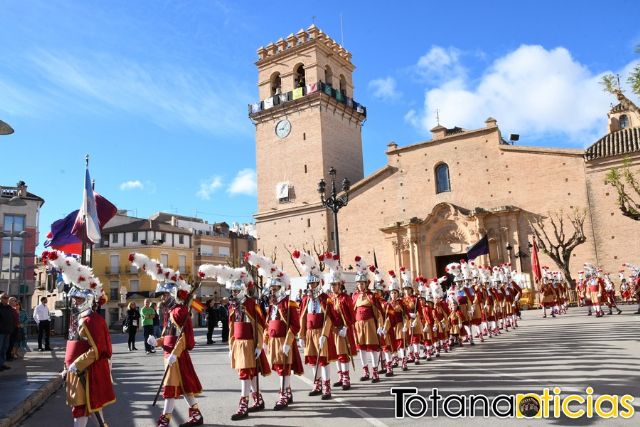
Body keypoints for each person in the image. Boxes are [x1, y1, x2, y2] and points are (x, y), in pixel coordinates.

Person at [42, 249, 115, 427]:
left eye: (79, 299)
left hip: (87, 372)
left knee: (82, 407)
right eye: (74, 298)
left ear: (89, 300)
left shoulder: (92, 320)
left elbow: (97, 349)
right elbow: (73, 345)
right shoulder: (78, 318)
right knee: (88, 407)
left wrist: (77, 364)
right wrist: (67, 367)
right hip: (76, 371)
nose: (75, 302)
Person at [131, 253, 204, 427]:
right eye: (161, 295)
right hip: (169, 354)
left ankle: (165, 418)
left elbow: (184, 337)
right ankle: (196, 415)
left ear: (171, 293)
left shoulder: (179, 311)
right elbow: (170, 335)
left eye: (164, 295)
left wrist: (175, 353)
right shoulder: (169, 312)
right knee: (184, 387)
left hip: (176, 355)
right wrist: (156, 342)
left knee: (171, 388)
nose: (162, 298)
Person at [294, 249, 339, 400]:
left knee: (323, 360)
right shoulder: (306, 299)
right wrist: (301, 335)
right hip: (309, 332)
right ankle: (317, 384)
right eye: (309, 284)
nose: (311, 287)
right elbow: (302, 317)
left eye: (313, 284)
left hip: (321, 332)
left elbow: (330, 318)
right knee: (313, 360)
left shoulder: (325, 298)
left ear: (318, 283)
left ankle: (327, 387)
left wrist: (325, 334)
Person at [351, 256, 384, 383]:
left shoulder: (372, 296)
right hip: (358, 325)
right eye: (358, 283)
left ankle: (375, 371)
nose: (360, 285)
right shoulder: (354, 296)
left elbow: (379, 312)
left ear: (366, 284)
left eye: (362, 283)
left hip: (370, 324)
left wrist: (380, 325)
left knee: (372, 348)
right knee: (362, 348)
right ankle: (365, 371)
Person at [0, 293, 16, 371]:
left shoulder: (9, 308)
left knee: (5, 348)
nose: (6, 299)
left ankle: (2, 363)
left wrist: (11, 328)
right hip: (1, 332)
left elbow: (11, 319)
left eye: (7, 298)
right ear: (1, 299)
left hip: (8, 331)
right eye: (4, 298)